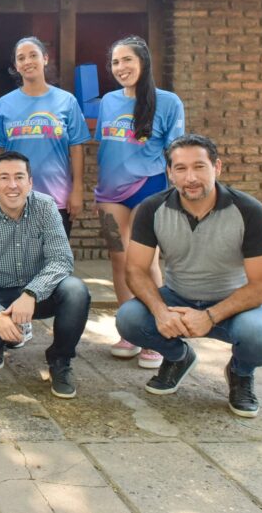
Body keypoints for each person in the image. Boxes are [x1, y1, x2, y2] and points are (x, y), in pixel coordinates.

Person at [116, 134, 262, 417]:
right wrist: (160, 311)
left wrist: (210, 316)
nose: (190, 177)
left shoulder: (250, 211)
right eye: (180, 169)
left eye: (199, 167)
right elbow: (136, 270)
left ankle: (241, 373)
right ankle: (178, 357)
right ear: (169, 173)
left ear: (217, 167)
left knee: (260, 339)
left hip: (233, 303)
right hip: (177, 297)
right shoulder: (153, 209)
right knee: (128, 319)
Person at [0, 151, 90, 399]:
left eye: (19, 177)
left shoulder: (46, 207)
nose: (12, 185)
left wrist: (31, 293)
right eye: (5, 178)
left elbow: (62, 259)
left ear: (30, 182)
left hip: (38, 293)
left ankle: (60, 361)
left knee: (75, 291)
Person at [96, 36, 185, 369]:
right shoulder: (107, 101)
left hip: (150, 191)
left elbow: (176, 153)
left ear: (143, 62)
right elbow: (105, 149)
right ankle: (130, 332)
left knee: (145, 263)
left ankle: (158, 333)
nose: (121, 68)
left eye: (127, 60)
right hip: (108, 196)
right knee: (119, 260)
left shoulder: (169, 102)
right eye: (116, 62)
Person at [0, 37, 90, 236]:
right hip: (15, 196)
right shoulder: (4, 104)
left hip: (56, 196)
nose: (27, 62)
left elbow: (77, 148)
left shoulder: (67, 101)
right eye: (21, 58)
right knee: (17, 262)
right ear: (16, 65)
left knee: (55, 262)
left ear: (45, 59)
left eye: (33, 55)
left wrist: (77, 190)